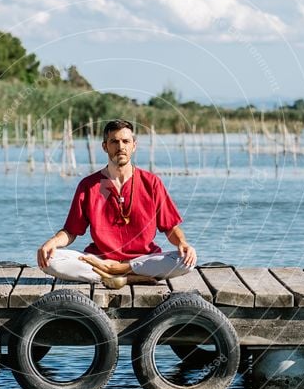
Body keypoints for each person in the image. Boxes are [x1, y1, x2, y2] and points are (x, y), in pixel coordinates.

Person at [37, 119, 197, 289]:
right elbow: (71, 231)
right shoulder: (89, 185)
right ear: (105, 146)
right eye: (114, 141)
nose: (121, 147)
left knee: (185, 260)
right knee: (50, 260)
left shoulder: (151, 183)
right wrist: (51, 243)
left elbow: (170, 227)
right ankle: (130, 277)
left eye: (126, 141)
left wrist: (182, 243)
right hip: (99, 259)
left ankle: (119, 272)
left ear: (134, 145)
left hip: (142, 259)